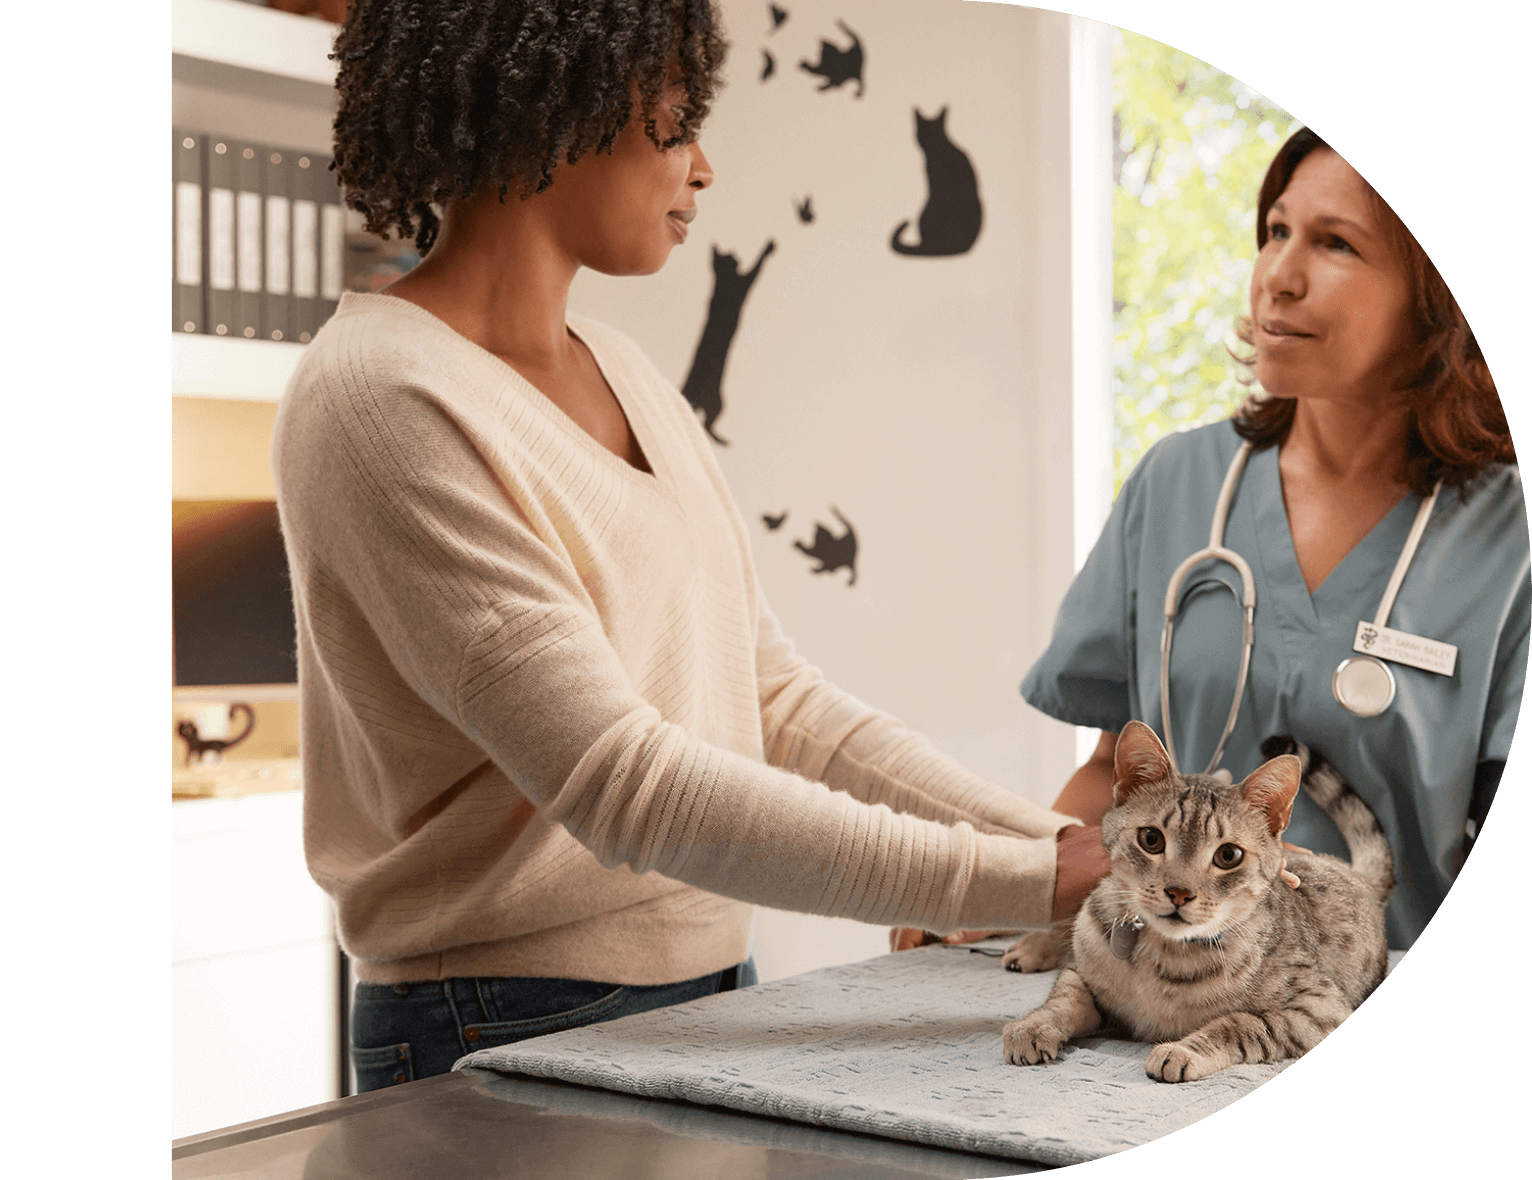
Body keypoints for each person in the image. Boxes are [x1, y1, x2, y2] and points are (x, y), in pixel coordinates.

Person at [274, 0, 1103, 1092]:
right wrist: (1018, 880)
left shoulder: (623, 370)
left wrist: (1074, 857)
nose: (703, 169)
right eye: (671, 125)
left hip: (713, 986)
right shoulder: (379, 398)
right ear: (545, 110)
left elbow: (775, 700)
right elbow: (627, 782)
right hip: (497, 1020)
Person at [1023, 127, 1524, 951]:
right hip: (1155, 1004)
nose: (1277, 278)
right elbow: (1108, 774)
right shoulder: (1177, 482)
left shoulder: (1511, 542)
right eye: (1275, 232)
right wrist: (1005, 887)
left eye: (1334, 244)